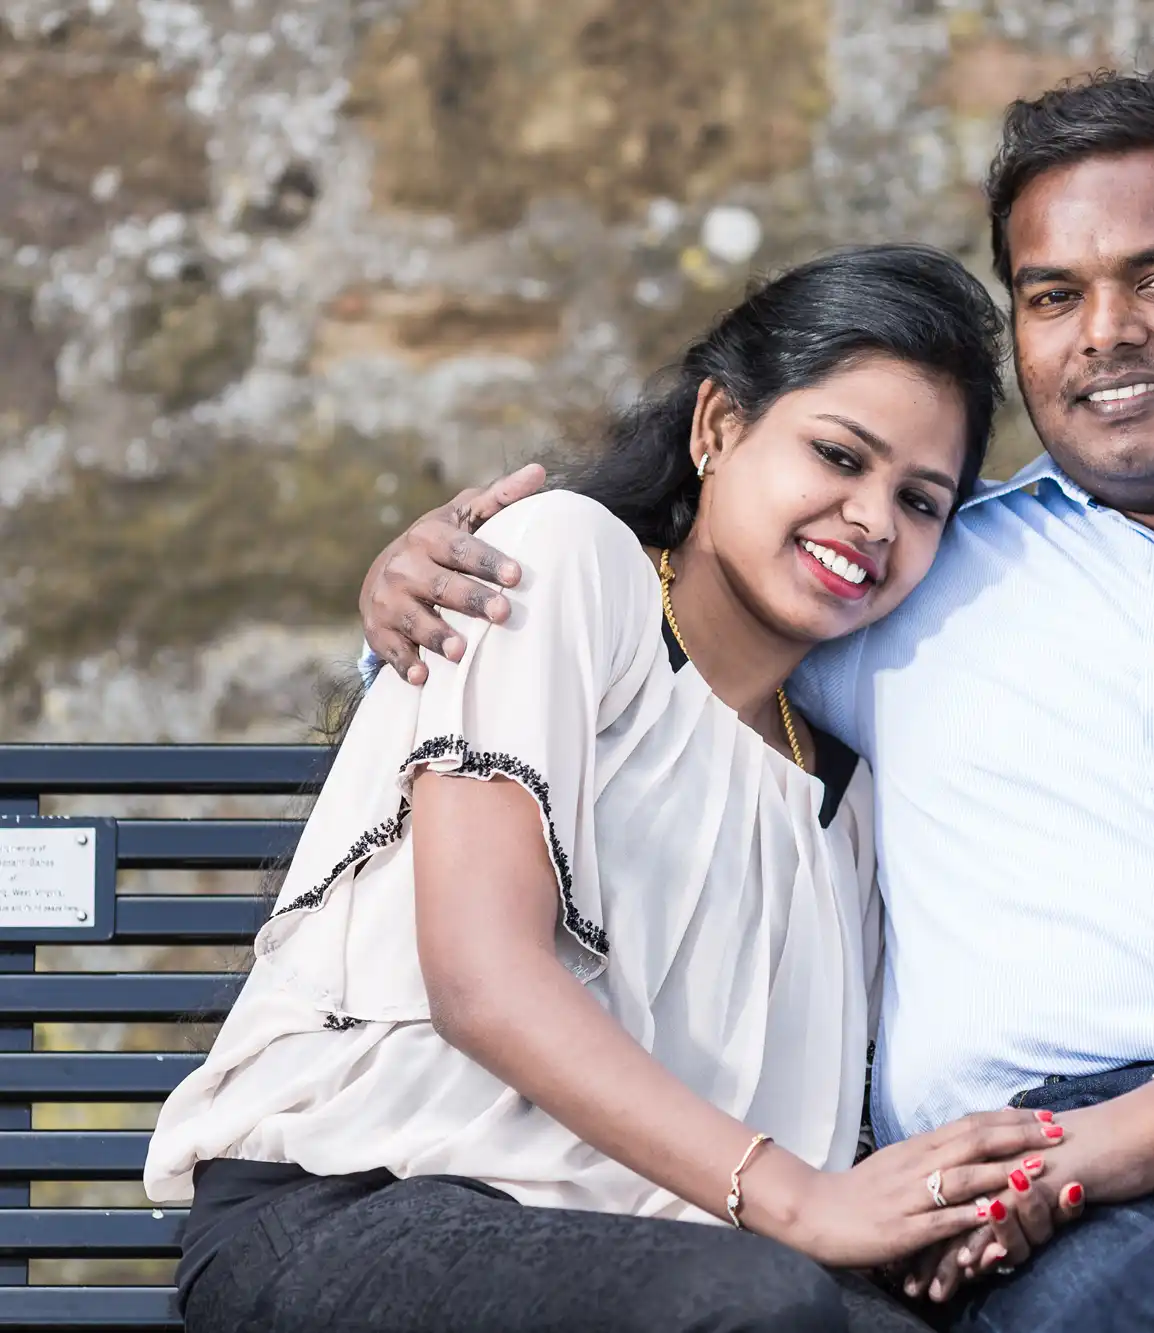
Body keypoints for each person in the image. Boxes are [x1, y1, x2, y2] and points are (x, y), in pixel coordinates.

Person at [356, 68, 1154, 1333]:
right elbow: (662, 646)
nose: (1105, 331)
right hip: (1036, 1214)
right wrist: (439, 596)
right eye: (1053, 295)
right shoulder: (907, 574)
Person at [143, 245, 1088, 1333]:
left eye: (920, 500)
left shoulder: (844, 804)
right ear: (718, 429)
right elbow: (481, 978)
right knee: (758, 1300)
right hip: (355, 1209)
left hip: (653, 1266)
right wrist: (803, 1202)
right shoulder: (563, 564)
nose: (872, 519)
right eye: (837, 454)